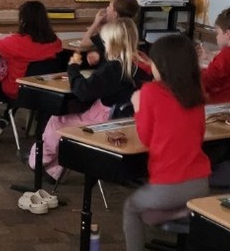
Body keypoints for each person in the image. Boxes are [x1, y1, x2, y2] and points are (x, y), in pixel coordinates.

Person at [101, 34, 210, 251]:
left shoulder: (150, 92)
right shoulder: (195, 93)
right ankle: (183, 211)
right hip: (200, 183)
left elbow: (146, 138)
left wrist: (138, 106)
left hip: (169, 184)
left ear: (160, 65)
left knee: (130, 208)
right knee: (148, 212)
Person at [29, 18, 150, 181]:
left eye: (105, 42)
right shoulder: (139, 63)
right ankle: (55, 167)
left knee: (57, 121)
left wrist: (72, 68)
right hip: (128, 121)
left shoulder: (114, 67)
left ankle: (41, 164)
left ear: (112, 43)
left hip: (104, 120)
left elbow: (83, 91)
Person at [0, 0, 63, 136]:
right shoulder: (55, 41)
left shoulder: (17, 41)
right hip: (45, 92)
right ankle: (6, 117)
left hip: (16, 91)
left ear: (23, 21)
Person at [78, 0, 140, 66]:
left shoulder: (111, 32)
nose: (107, 8)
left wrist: (96, 22)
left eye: (109, 6)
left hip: (108, 70)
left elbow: (84, 43)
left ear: (115, 14)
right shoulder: (131, 30)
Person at [202, 6, 230, 103]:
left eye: (218, 33)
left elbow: (208, 81)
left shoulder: (226, 54)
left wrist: (194, 72)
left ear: (227, 34)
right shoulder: (229, 55)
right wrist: (210, 56)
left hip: (221, 107)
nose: (217, 37)